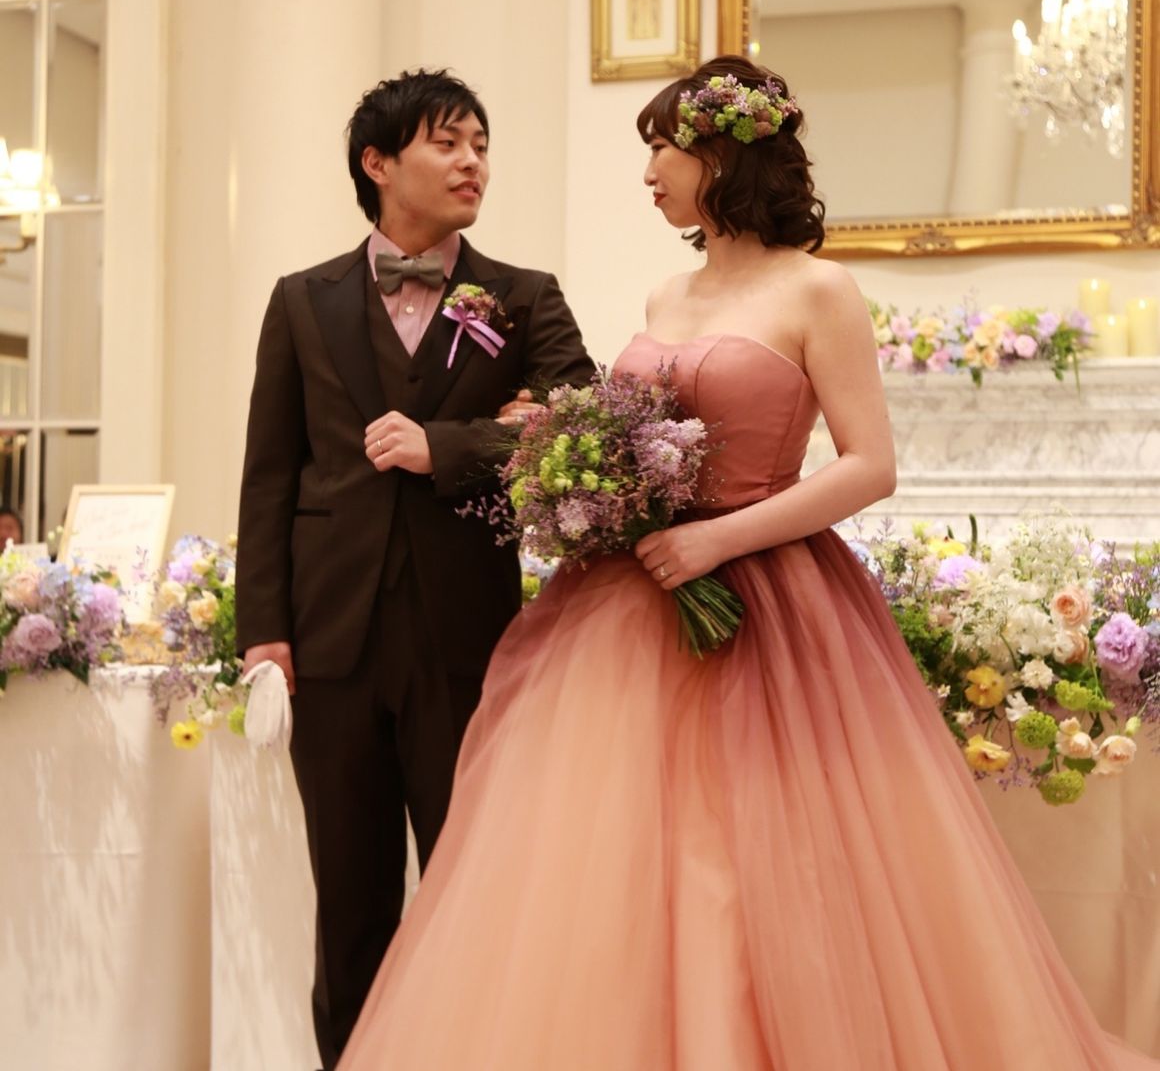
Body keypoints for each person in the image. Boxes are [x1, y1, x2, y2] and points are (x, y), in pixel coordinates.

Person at [337, 57, 1156, 1070]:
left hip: (772, 598)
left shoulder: (818, 288)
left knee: (761, 852)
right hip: (629, 598)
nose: (648, 172)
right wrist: (577, 465)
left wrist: (717, 538)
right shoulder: (666, 289)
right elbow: (631, 427)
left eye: (661, 149)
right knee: (617, 860)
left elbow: (869, 465)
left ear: (720, 155)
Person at [235, 68, 593, 1071]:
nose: (473, 162)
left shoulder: (522, 296)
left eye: (481, 143)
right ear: (378, 162)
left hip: (466, 644)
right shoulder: (301, 300)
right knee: (348, 910)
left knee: (475, 895)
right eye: (448, 142)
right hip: (331, 646)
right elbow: (268, 475)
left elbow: (587, 430)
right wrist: (264, 631)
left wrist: (452, 445)